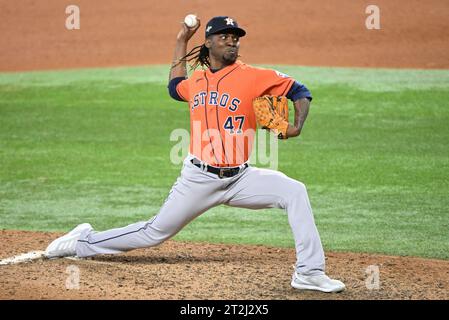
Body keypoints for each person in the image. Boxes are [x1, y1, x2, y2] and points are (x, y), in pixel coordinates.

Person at [45, 16, 345, 293]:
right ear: (210, 43)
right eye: (224, 36)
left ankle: (309, 272)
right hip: (198, 178)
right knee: (154, 233)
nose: (232, 41)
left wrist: (297, 126)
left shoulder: (254, 76)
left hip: (241, 177)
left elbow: (300, 90)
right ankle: (84, 240)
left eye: (235, 37)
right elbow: (175, 86)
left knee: (294, 191)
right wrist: (181, 40)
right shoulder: (197, 80)